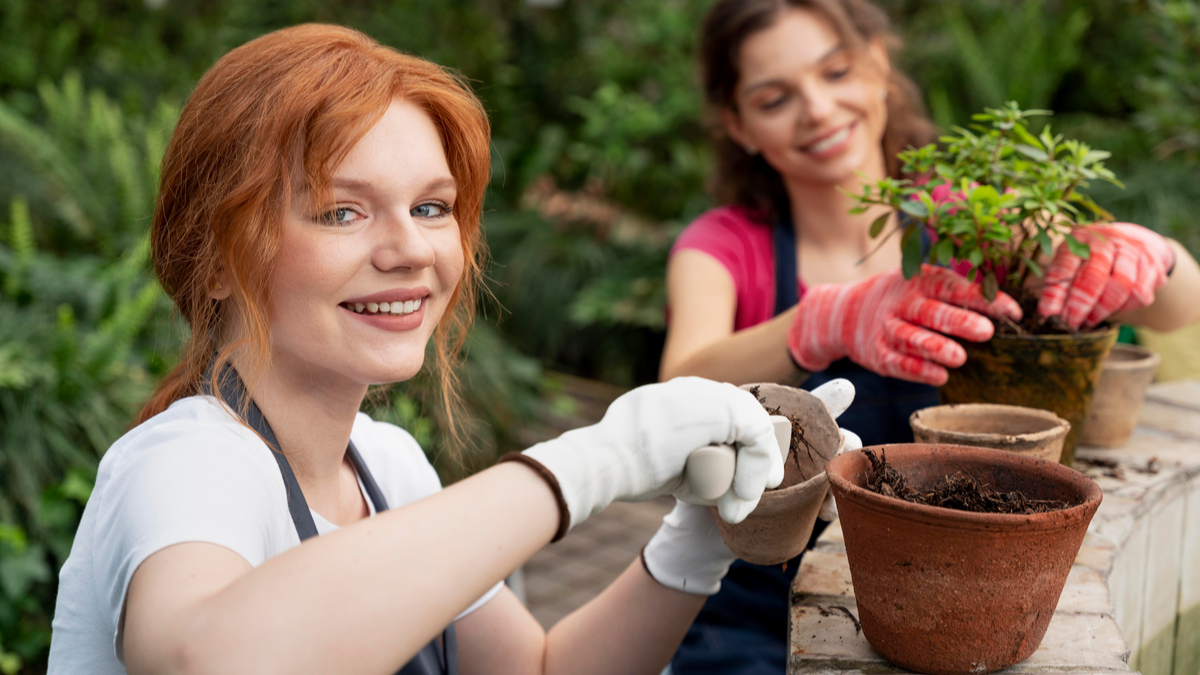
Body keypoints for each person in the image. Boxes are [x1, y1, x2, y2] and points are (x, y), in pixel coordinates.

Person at [47, 24, 868, 675]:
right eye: (342, 211)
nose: (411, 249)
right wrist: (592, 460)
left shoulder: (388, 464)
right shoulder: (186, 459)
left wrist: (693, 543)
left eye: (433, 207)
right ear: (218, 256)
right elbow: (206, 656)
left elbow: (538, 669)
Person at [660, 1, 1200, 673]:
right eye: (775, 99)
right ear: (738, 124)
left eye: (836, 72)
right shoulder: (723, 246)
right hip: (750, 619)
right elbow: (673, 390)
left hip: (958, 602)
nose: (819, 109)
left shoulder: (970, 217)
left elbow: (1179, 308)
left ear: (880, 64)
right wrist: (814, 324)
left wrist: (1154, 257)